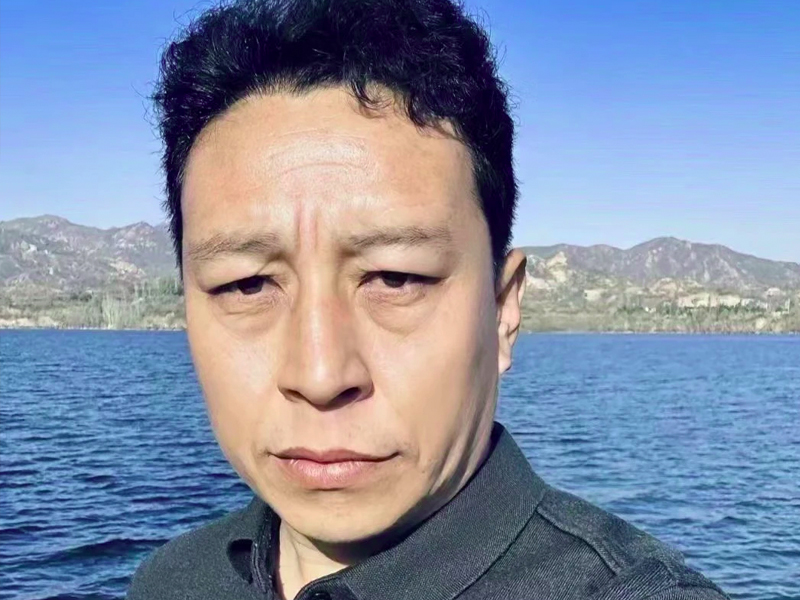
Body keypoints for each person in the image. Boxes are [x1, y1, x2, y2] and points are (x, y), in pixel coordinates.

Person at [129, 0, 728, 598]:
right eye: (247, 285)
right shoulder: (172, 580)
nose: (319, 375)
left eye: (396, 279)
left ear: (503, 311)